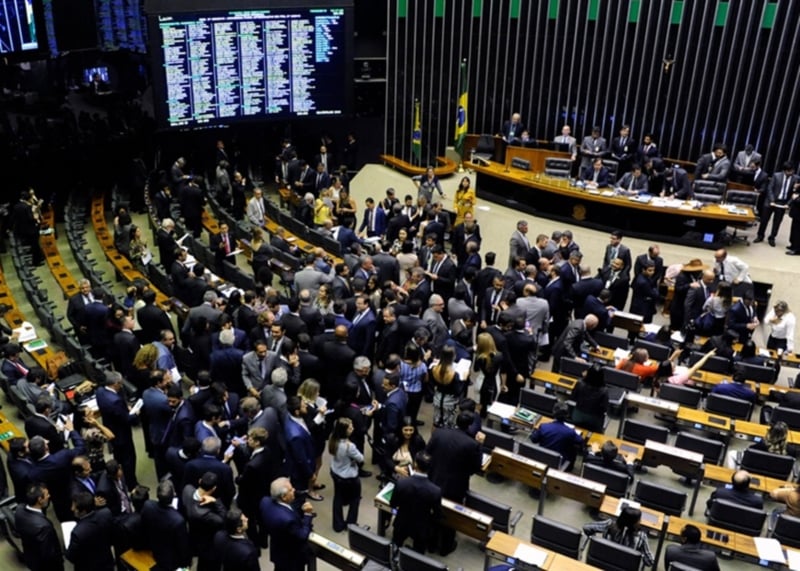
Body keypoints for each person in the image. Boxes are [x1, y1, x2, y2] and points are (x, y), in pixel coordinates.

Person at [426, 411, 484, 555]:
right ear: (470, 425)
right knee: (450, 516)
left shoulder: (439, 433)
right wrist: (480, 445)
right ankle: (446, 547)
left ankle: (431, 544)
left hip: (433, 479)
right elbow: (476, 467)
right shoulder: (472, 444)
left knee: (431, 511)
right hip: (455, 486)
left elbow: (427, 452)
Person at [390, 451, 442, 553]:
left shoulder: (402, 483)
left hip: (402, 522)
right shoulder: (435, 491)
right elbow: (437, 514)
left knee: (395, 546)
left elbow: (393, 504)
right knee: (418, 554)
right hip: (421, 527)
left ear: (415, 464)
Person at [260, 477, 315, 571]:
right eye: (291, 490)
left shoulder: (265, 501)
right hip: (291, 558)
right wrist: (307, 514)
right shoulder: (288, 520)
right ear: (283, 497)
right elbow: (302, 535)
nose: (294, 490)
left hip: (277, 550)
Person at [582, 506, 654, 567]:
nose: (640, 521)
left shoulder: (609, 524)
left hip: (602, 564)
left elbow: (587, 527)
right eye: (639, 520)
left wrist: (594, 537)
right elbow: (649, 562)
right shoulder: (641, 536)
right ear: (635, 523)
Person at [15, 483, 64, 571]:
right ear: (40, 499)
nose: (49, 496)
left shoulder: (19, 509)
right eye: (47, 495)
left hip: (31, 556)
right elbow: (49, 555)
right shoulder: (44, 526)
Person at [328, 417, 364, 532]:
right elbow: (361, 458)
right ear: (344, 431)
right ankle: (351, 524)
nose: (352, 428)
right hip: (349, 477)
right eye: (350, 427)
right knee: (355, 499)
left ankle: (337, 525)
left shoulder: (333, 440)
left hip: (335, 472)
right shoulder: (349, 446)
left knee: (338, 498)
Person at [66, 491, 115, 571]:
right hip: (106, 562)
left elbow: (71, 556)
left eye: (75, 507)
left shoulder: (77, 533)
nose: (72, 509)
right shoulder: (106, 513)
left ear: (83, 511)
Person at [529, 402, 585, 470]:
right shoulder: (570, 432)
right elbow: (581, 441)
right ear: (567, 415)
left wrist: (535, 431)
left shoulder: (544, 427)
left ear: (553, 412)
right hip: (560, 464)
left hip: (542, 459)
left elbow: (533, 439)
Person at [755, 161, 798, 246]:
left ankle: (772, 237)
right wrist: (772, 200)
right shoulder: (776, 176)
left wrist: (788, 204)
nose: (791, 173)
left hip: (782, 202)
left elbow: (794, 194)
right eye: (789, 171)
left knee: (777, 222)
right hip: (771, 200)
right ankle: (760, 235)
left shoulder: (795, 179)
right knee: (764, 220)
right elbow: (770, 188)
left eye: (792, 171)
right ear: (785, 171)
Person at [472, 332, 507, 417]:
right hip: (495, 382)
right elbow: (503, 371)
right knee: (492, 403)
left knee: (478, 405)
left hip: (481, 382)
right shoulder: (500, 355)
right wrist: (503, 384)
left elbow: (475, 369)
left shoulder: (480, 357)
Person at [382, 416, 427, 481]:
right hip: (393, 473)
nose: (408, 433)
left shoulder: (418, 441)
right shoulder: (392, 439)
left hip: (412, 475)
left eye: (411, 430)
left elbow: (423, 458)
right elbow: (386, 458)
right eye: (406, 430)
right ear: (401, 429)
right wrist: (397, 468)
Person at [569, 363, 609, 432]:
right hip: (594, 420)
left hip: (578, 415)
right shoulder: (604, 390)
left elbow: (573, 397)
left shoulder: (580, 383)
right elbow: (605, 408)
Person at [431, 345, 463, 428]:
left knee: (436, 422)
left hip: (437, 398)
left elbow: (432, 383)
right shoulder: (454, 374)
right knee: (448, 424)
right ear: (453, 357)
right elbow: (458, 391)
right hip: (450, 401)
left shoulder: (434, 369)